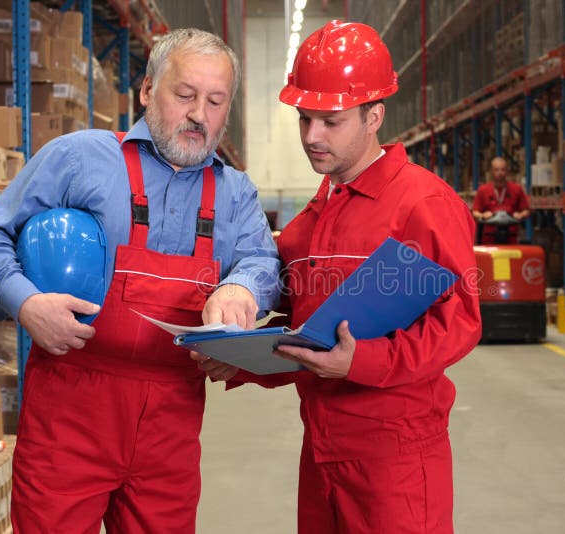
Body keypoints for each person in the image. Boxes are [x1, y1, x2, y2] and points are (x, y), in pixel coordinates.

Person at [0, 28, 280, 533]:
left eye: (216, 101)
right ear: (148, 90)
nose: (200, 114)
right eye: (185, 95)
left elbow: (263, 261)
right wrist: (25, 304)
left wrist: (242, 288)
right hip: (69, 416)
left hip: (170, 426)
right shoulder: (78, 159)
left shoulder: (234, 193)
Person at [195, 21, 481, 534]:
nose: (312, 137)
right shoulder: (307, 225)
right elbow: (308, 336)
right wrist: (240, 358)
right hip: (322, 448)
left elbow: (459, 324)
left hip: (395, 453)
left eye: (331, 121)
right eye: (304, 119)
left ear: (374, 116)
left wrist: (363, 362)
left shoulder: (423, 205)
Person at [472, 156, 530, 244]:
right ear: (491, 171)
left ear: (507, 171)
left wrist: (520, 215)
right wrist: (482, 215)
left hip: (511, 236)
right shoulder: (483, 190)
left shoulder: (516, 189)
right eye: (496, 170)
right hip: (489, 238)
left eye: (502, 170)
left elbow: (526, 210)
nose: (500, 173)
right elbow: (474, 212)